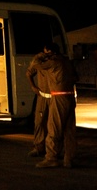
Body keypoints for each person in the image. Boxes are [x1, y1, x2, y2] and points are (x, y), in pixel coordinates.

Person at [33, 41, 78, 169]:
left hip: (59, 97)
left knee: (53, 127)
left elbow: (36, 65)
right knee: (69, 130)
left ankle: (51, 158)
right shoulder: (67, 61)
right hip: (70, 96)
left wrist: (40, 56)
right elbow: (76, 77)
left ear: (50, 52)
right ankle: (69, 159)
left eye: (46, 51)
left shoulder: (53, 62)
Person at [25, 46, 53, 158]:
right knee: (39, 122)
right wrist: (33, 86)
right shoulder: (40, 62)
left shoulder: (55, 62)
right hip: (42, 96)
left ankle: (53, 149)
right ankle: (38, 147)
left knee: (53, 125)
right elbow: (29, 73)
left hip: (55, 97)